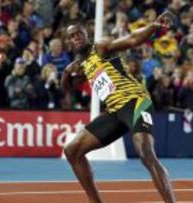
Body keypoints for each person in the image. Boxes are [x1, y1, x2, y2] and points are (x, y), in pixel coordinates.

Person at [61, 11, 176, 203]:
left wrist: (154, 26)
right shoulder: (80, 65)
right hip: (114, 112)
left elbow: (132, 40)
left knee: (146, 154)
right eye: (72, 36)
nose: (77, 38)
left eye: (79, 33)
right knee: (72, 151)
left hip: (135, 102)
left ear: (86, 34)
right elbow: (67, 89)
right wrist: (66, 71)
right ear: (69, 42)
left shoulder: (101, 47)